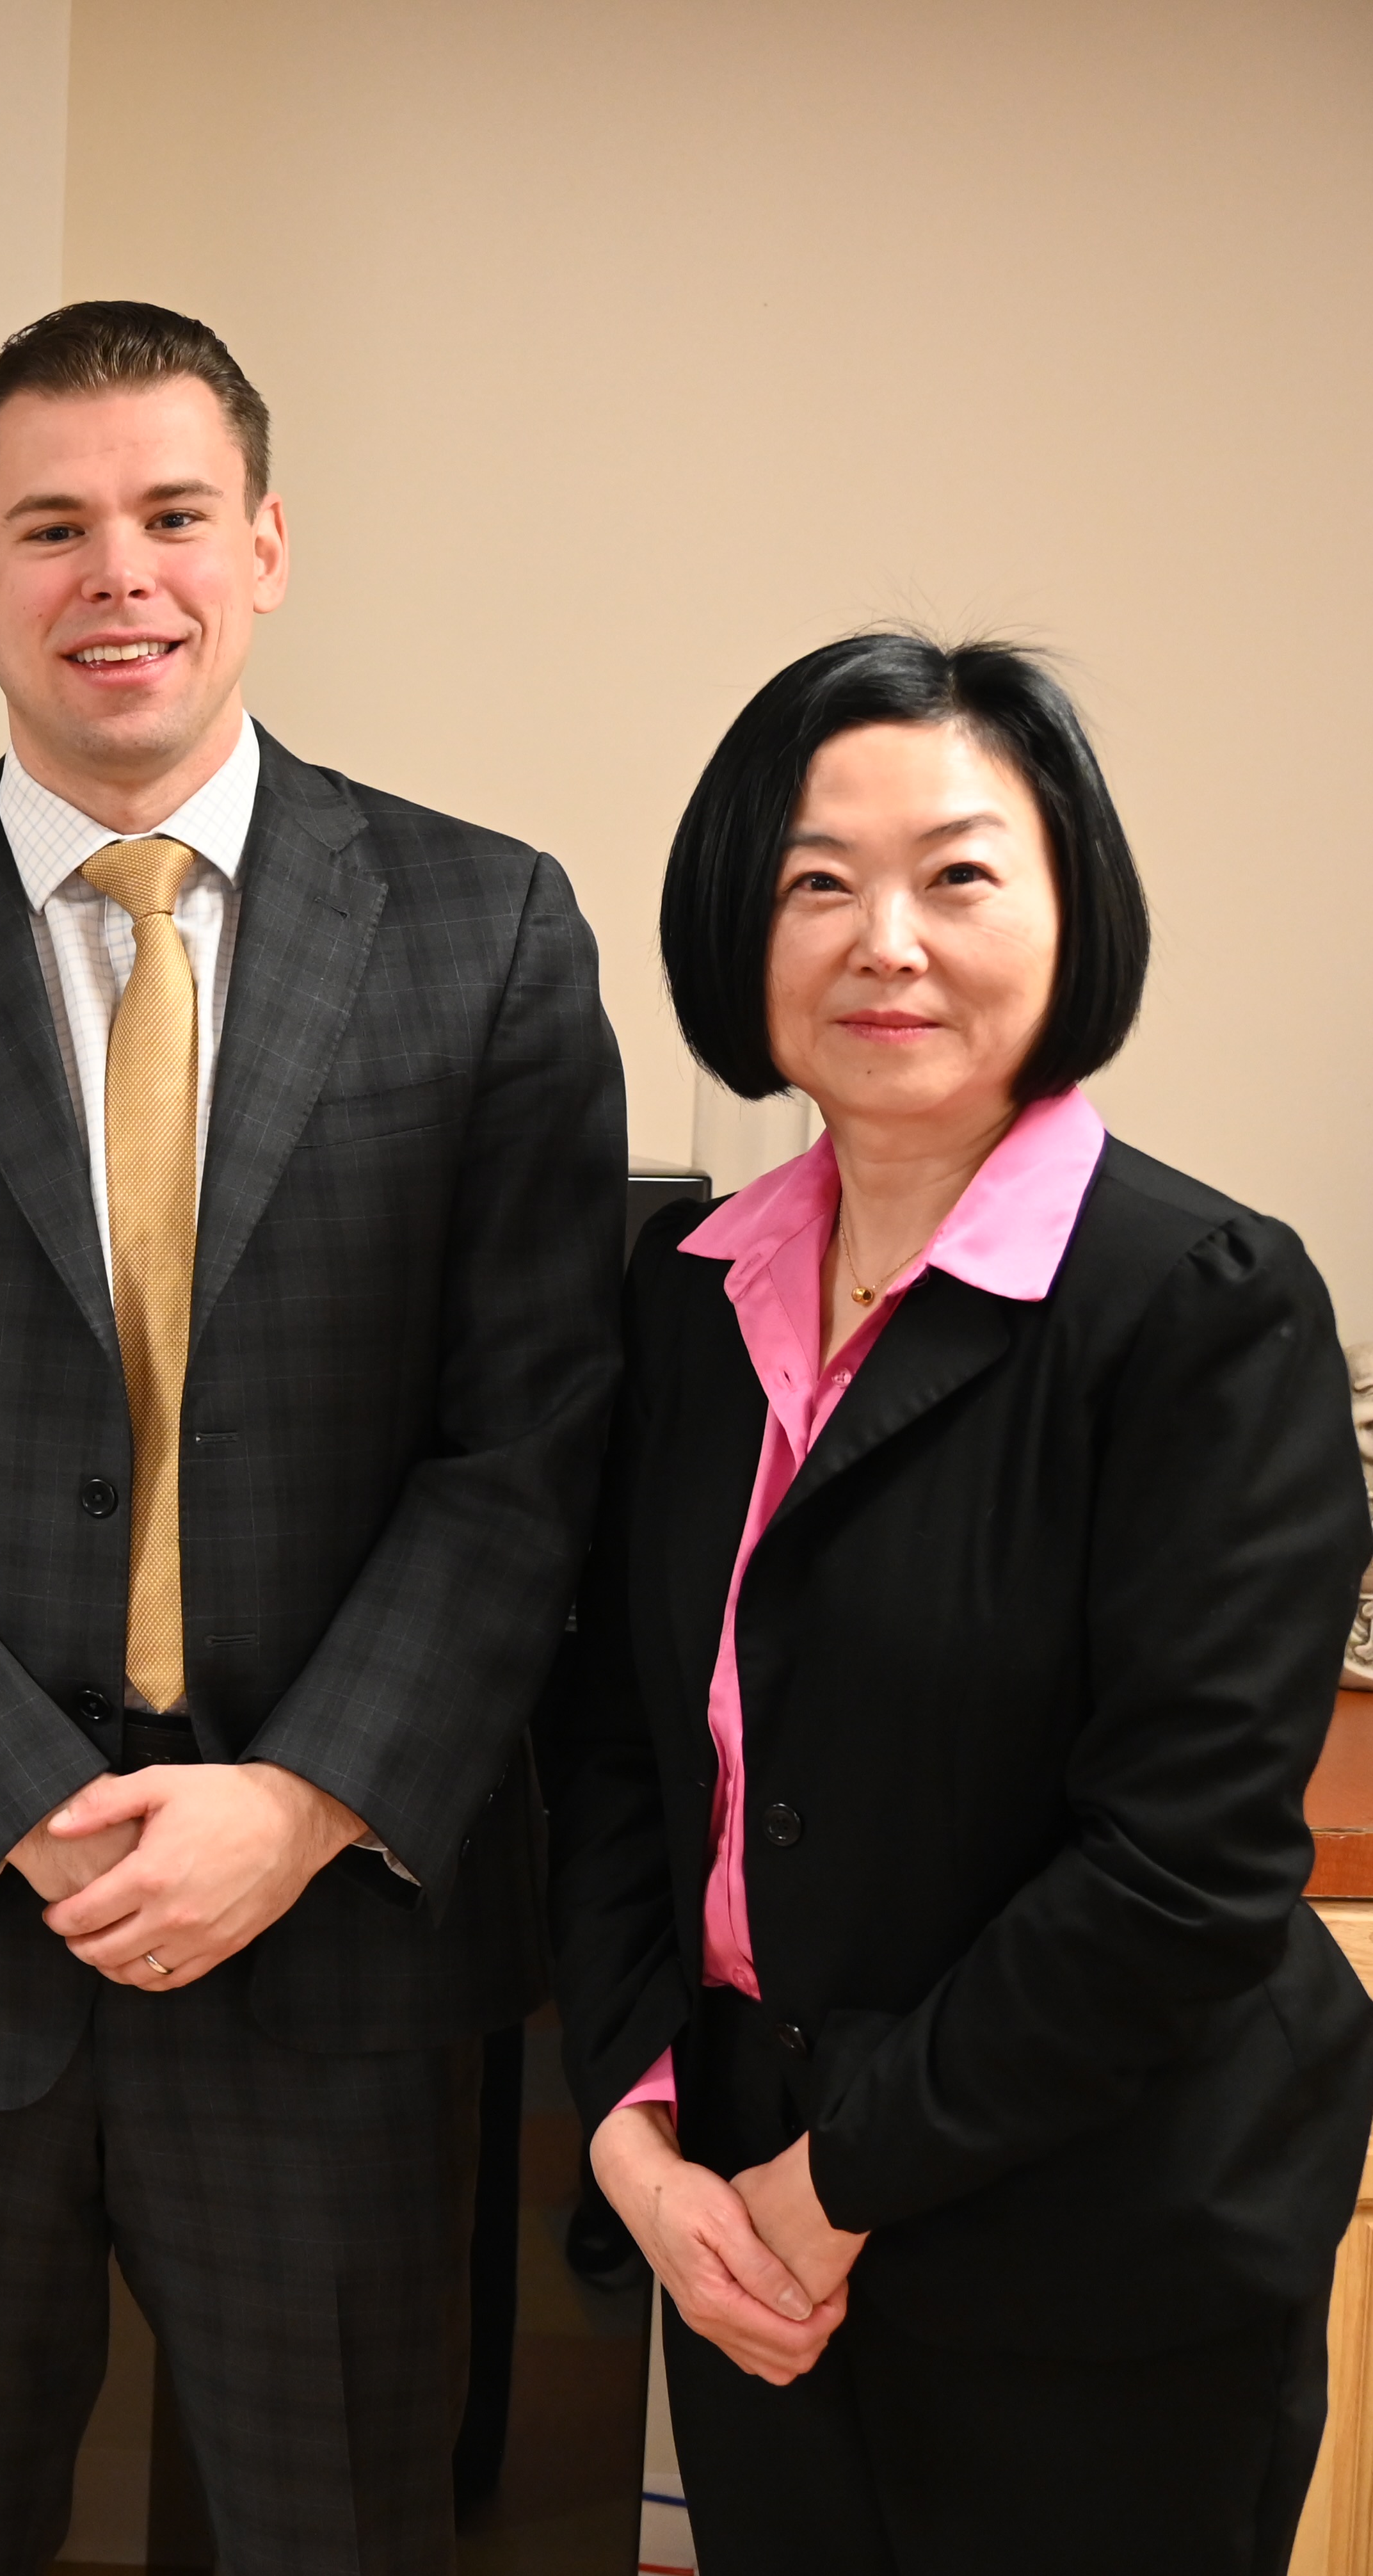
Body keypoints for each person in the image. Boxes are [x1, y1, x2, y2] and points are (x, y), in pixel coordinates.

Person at [0, 300, 626, 2572]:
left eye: (174, 515)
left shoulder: (482, 934)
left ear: (267, 544)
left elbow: (531, 1443)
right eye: (55, 526)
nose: (122, 575)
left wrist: (296, 1810)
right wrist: (41, 1821)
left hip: (339, 1942)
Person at [544, 633, 1373, 2572]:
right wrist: (637, 2132)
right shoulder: (687, 1297)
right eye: (815, 881)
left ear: (1072, 907)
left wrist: (832, 2189)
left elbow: (1180, 1875)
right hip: (743, 2210)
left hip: (1098, 2247)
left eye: (959, 873)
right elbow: (613, 1752)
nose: (883, 940)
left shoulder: (1204, 1307)